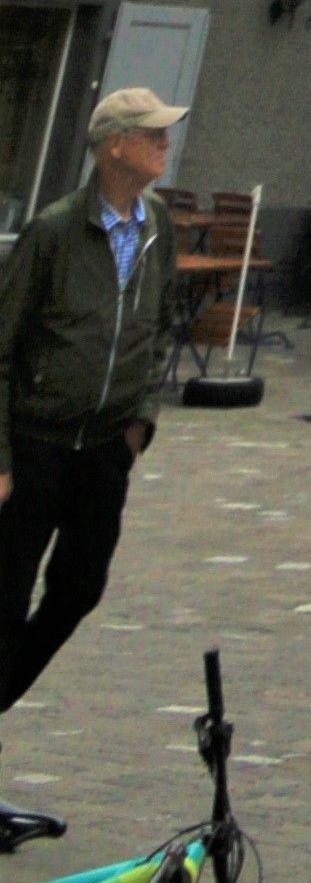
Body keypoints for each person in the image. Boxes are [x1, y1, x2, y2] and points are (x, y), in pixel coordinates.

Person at [0, 83, 186, 725]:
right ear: (115, 147)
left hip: (106, 448)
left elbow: (162, 326)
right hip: (35, 445)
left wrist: (142, 419)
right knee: (4, 602)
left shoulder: (158, 225)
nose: (166, 143)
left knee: (80, 589)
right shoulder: (53, 232)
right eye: (153, 133)